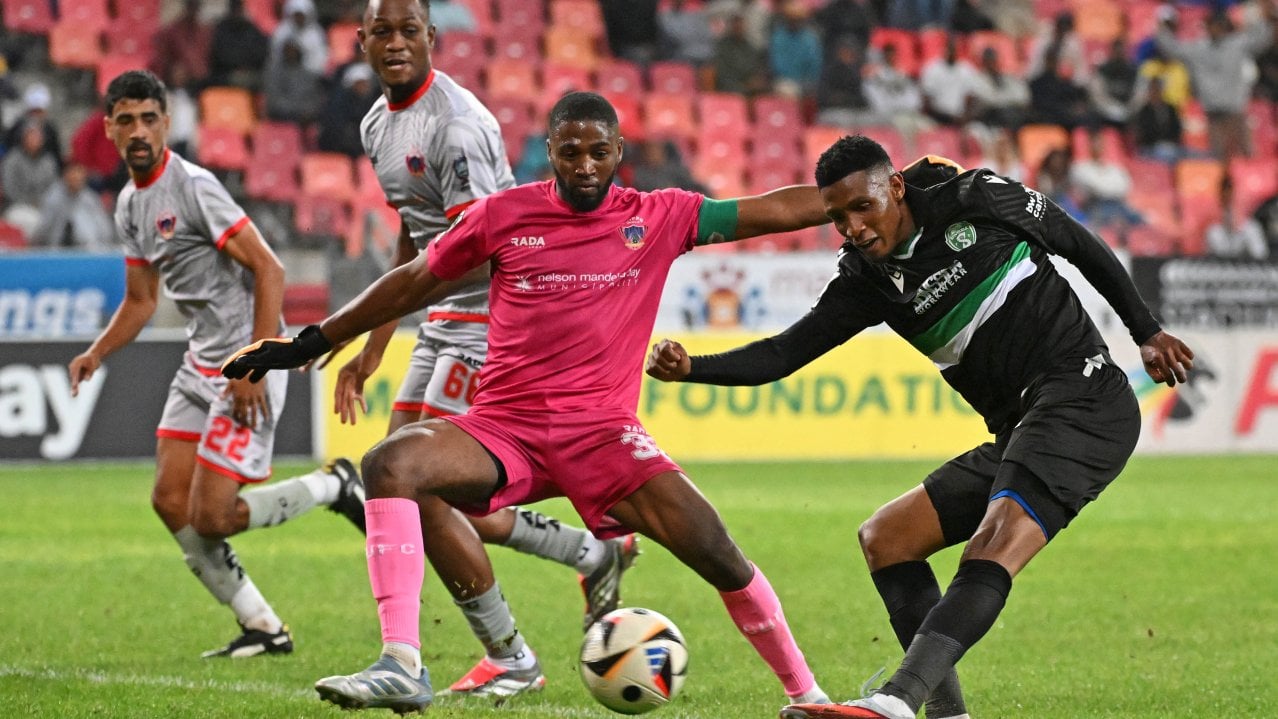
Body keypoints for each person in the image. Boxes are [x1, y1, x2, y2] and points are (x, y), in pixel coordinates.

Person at [222, 89, 833, 714]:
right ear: (551, 154)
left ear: (619, 151)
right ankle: (402, 663)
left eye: (600, 152)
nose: (587, 165)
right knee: (390, 463)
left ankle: (807, 696)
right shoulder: (504, 215)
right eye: (572, 152)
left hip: (603, 436)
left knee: (720, 555)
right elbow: (412, 281)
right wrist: (312, 341)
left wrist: (873, 191)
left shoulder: (661, 215)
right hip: (503, 429)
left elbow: (773, 209)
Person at [642, 139, 1194, 719]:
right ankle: (945, 714)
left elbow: (1077, 242)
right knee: (887, 538)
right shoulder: (866, 282)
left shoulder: (974, 198)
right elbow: (783, 354)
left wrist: (1146, 330)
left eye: (862, 207)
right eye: (836, 217)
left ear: (896, 188)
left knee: (993, 541)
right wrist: (692, 370)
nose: (852, 228)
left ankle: (898, 700)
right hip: (1021, 429)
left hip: (1084, 399)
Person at [319, 0, 646, 699]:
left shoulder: (457, 124)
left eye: (410, 29)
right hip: (438, 317)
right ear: (362, 41)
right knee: (398, 481)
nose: (397, 42)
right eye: (384, 30)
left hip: (491, 322)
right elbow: (418, 234)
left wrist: (361, 321)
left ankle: (495, 652)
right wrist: (378, 343)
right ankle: (591, 553)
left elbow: (484, 250)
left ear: (433, 38)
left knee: (422, 486)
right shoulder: (377, 121)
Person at [67, 70, 367, 659]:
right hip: (198, 363)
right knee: (169, 501)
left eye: (149, 118)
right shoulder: (130, 203)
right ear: (108, 127)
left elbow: (271, 268)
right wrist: (97, 352)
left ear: (166, 123)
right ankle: (261, 625)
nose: (138, 131)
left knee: (214, 516)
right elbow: (141, 300)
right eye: (125, 120)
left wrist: (254, 365)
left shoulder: (194, 186)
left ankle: (333, 484)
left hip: (244, 365)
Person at [30, 162, 115, 250]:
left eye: (79, 177)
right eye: (73, 176)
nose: (76, 179)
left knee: (81, 217)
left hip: (88, 249)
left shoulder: (90, 198)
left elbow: (105, 229)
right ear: (65, 176)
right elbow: (43, 227)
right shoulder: (53, 197)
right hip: (57, 248)